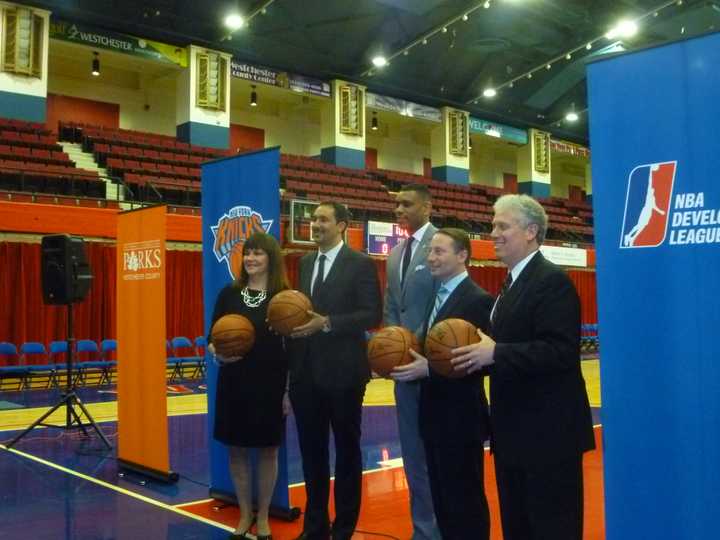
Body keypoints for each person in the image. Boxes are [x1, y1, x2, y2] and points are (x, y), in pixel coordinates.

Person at [452, 194, 595, 540]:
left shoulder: (551, 282)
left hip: (548, 437)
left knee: (551, 527)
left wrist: (496, 353)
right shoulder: (511, 283)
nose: (493, 233)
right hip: (515, 432)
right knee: (519, 527)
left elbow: (559, 352)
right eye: (492, 225)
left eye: (503, 225)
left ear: (531, 231)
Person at [286, 202, 382, 540]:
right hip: (306, 375)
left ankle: (343, 529)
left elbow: (372, 314)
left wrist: (327, 323)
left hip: (344, 374)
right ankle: (315, 528)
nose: (315, 224)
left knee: (346, 454)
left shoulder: (361, 264)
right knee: (312, 455)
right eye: (313, 219)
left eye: (323, 219)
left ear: (342, 225)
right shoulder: (305, 262)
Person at [405, 228, 493, 540]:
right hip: (433, 415)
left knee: (465, 500)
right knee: (442, 499)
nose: (431, 257)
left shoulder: (479, 300)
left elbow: (480, 364)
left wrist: (428, 369)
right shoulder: (437, 295)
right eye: (430, 251)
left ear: (462, 255)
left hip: (461, 418)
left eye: (439, 251)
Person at [208, 232, 290, 540]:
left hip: (270, 383)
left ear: (271, 258)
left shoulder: (284, 296)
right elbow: (211, 337)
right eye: (247, 254)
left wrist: (288, 390)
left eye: (258, 254)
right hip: (235, 381)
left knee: (268, 451)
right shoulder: (229, 294)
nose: (251, 259)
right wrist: (217, 352)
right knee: (237, 451)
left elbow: (293, 347)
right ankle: (244, 515)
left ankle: (265, 516)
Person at [383, 183, 441, 540]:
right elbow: (392, 308)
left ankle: (446, 528)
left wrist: (419, 343)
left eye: (407, 204)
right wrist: (393, 345)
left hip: (436, 368)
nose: (399, 209)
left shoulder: (443, 243)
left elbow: (446, 300)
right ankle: (423, 531)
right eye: (397, 204)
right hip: (404, 370)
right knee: (413, 459)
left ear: (427, 207)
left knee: (440, 458)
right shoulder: (395, 254)